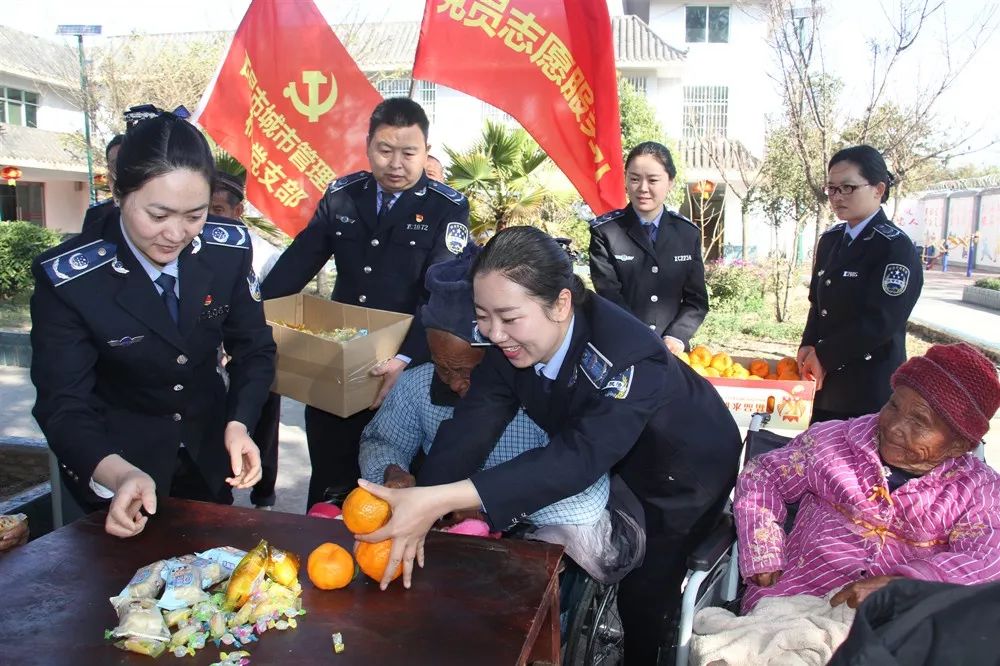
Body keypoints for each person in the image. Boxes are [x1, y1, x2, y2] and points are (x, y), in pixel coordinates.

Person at [355, 226, 742, 664]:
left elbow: (576, 459)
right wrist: (425, 499)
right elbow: (470, 429)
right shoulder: (512, 346)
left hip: (681, 470)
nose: (494, 334)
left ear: (560, 303)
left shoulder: (630, 354)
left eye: (508, 316)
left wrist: (444, 498)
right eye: (482, 315)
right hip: (610, 451)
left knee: (646, 591)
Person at [30, 111, 275, 538]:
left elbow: (254, 349)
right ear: (118, 193)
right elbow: (63, 404)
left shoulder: (226, 251)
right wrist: (117, 473)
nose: (176, 234)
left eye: (195, 215)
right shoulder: (72, 279)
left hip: (207, 454)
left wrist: (239, 423)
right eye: (158, 215)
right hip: (117, 466)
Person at [358, 251, 629, 580]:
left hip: (534, 532)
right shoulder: (418, 386)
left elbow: (583, 496)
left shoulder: (547, 395)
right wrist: (392, 469)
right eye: (444, 368)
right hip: (444, 528)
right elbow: (380, 439)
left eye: (469, 371)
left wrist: (485, 507)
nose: (457, 383)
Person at [260, 98, 470, 509]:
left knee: (395, 483)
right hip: (339, 362)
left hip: (406, 368)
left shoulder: (447, 207)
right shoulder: (344, 195)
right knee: (329, 482)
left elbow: (442, 295)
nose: (396, 163)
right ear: (368, 146)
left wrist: (404, 359)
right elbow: (296, 264)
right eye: (385, 150)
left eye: (409, 153)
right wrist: (253, 319)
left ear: (425, 151)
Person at [736, 342, 1000, 613]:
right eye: (894, 405)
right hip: (791, 600)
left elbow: (988, 559)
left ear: (959, 444)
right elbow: (763, 475)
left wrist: (904, 585)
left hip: (889, 625)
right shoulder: (832, 441)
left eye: (919, 422)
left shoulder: (979, 492)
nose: (895, 427)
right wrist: (764, 549)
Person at [798, 145, 923, 424]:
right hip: (825, 384)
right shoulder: (831, 241)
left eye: (848, 188)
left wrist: (825, 354)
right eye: (831, 188)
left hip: (867, 389)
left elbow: (881, 321)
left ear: (878, 189)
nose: (837, 197)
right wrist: (808, 344)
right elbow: (818, 305)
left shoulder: (894, 247)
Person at [589, 141, 709, 353]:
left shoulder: (687, 234)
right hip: (623, 346)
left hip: (671, 352)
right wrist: (640, 337)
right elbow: (609, 295)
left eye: (653, 180)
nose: (643, 188)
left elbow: (696, 300)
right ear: (626, 180)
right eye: (634, 179)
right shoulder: (606, 232)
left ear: (670, 182)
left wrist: (676, 336)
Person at [210, 170, 282, 510]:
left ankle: (263, 496)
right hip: (214, 365)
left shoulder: (261, 254)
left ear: (238, 212)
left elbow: (261, 323)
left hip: (254, 353)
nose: (209, 220)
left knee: (261, 427)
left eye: (217, 210)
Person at [82, 134, 124, 232]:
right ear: (109, 168)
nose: (121, 167)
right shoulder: (96, 215)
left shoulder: (158, 206)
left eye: (126, 160)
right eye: (115, 163)